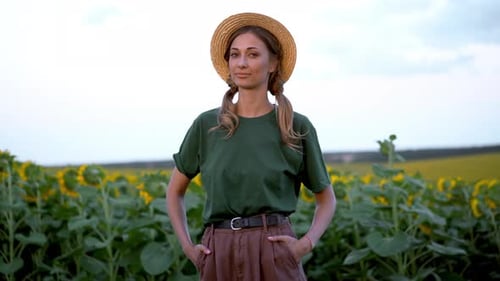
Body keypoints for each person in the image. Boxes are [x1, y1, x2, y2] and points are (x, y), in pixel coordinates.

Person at [166, 12, 336, 281]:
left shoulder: (296, 126)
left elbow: (326, 198)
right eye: (235, 55)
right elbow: (174, 192)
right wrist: (188, 247)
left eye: (253, 54)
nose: (241, 63)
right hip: (217, 251)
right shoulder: (207, 125)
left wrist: (305, 244)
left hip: (275, 251)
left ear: (273, 63)